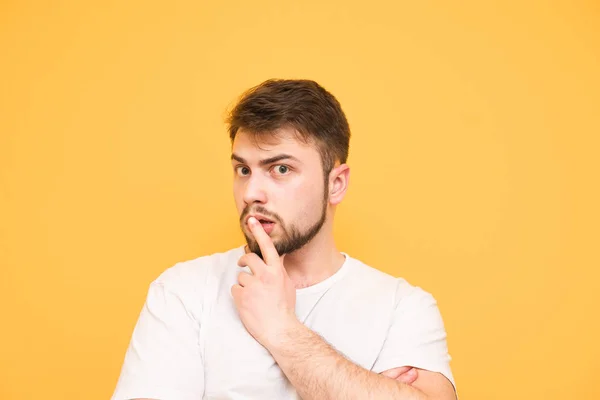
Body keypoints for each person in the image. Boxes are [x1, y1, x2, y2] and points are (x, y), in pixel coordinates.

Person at [111, 79, 457, 400]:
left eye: (280, 169)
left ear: (335, 184)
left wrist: (282, 330)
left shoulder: (403, 307)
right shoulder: (183, 292)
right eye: (243, 170)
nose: (251, 193)